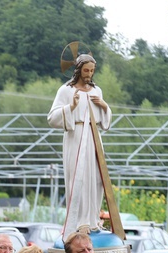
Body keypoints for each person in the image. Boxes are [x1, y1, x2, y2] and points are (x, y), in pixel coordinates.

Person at [47, 54, 112, 236]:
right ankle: (79, 221)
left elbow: (104, 121)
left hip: (93, 137)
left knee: (97, 178)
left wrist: (105, 106)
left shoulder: (96, 91)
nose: (89, 74)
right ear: (78, 70)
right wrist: (71, 107)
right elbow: (52, 118)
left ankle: (93, 219)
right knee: (79, 178)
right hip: (76, 136)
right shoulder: (66, 91)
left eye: (92, 70)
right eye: (86, 70)